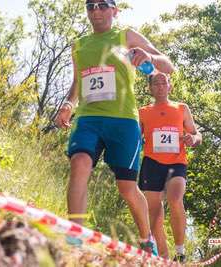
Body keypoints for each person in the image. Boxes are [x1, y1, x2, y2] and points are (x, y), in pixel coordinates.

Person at [54, 0, 174, 254]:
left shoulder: (125, 35)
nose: (96, 11)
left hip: (123, 122)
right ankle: (75, 241)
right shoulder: (79, 45)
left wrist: (149, 57)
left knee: (127, 187)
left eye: (102, 5)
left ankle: (146, 239)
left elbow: (168, 66)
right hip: (88, 118)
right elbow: (77, 83)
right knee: (80, 163)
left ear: (114, 10)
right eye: (90, 6)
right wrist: (67, 104)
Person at [138, 73, 202, 262]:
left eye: (163, 83)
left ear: (170, 86)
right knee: (155, 210)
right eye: (155, 84)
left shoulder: (181, 108)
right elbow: (134, 137)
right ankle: (164, 257)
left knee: (175, 199)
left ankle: (180, 251)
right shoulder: (143, 112)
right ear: (150, 89)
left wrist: (193, 139)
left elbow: (197, 135)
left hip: (176, 162)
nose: (159, 86)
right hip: (152, 163)